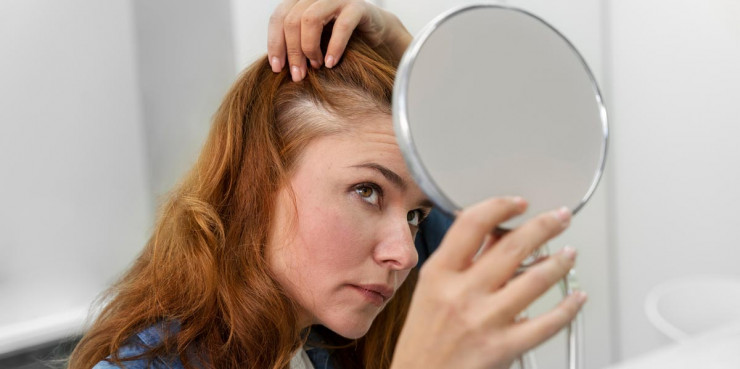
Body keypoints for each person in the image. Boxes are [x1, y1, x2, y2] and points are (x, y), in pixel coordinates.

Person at [68, 1, 586, 369]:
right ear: (258, 180)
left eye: (417, 216)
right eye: (367, 191)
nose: (405, 254)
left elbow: (505, 183)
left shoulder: (327, 336)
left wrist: (412, 58)